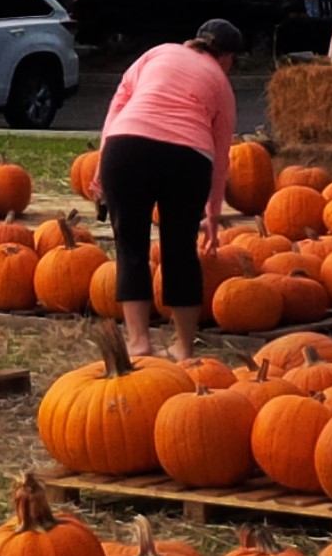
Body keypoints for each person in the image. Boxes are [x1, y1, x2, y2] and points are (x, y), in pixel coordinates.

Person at [94, 18, 243, 361]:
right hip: (186, 158)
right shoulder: (221, 83)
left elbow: (117, 108)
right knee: (180, 250)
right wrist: (213, 215)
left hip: (126, 146)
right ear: (227, 58)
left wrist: (101, 172)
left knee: (130, 247)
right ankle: (183, 347)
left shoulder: (158, 53)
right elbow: (221, 156)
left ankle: (138, 342)